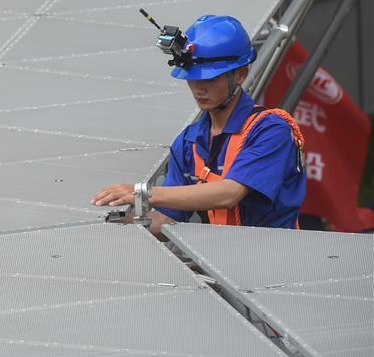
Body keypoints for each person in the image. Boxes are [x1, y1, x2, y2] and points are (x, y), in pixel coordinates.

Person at [91, 14, 306, 237]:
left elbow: (229, 194)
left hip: (273, 260)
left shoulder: (271, 130)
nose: (198, 89)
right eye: (192, 78)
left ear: (241, 74)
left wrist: (141, 194)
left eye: (209, 79)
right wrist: (114, 224)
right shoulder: (189, 140)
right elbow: (167, 218)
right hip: (221, 258)